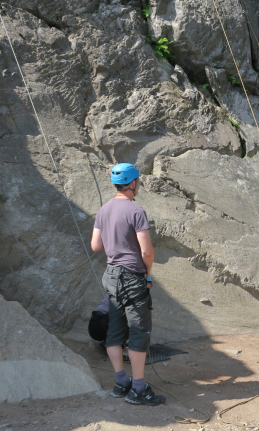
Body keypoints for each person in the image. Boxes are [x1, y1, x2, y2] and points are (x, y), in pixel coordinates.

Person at [91, 163, 165, 406]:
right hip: (132, 275)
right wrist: (147, 272)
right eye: (138, 181)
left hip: (111, 275)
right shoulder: (136, 211)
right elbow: (147, 250)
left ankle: (121, 382)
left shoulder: (103, 210)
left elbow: (96, 246)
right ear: (133, 183)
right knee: (139, 331)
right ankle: (139, 389)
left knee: (115, 331)